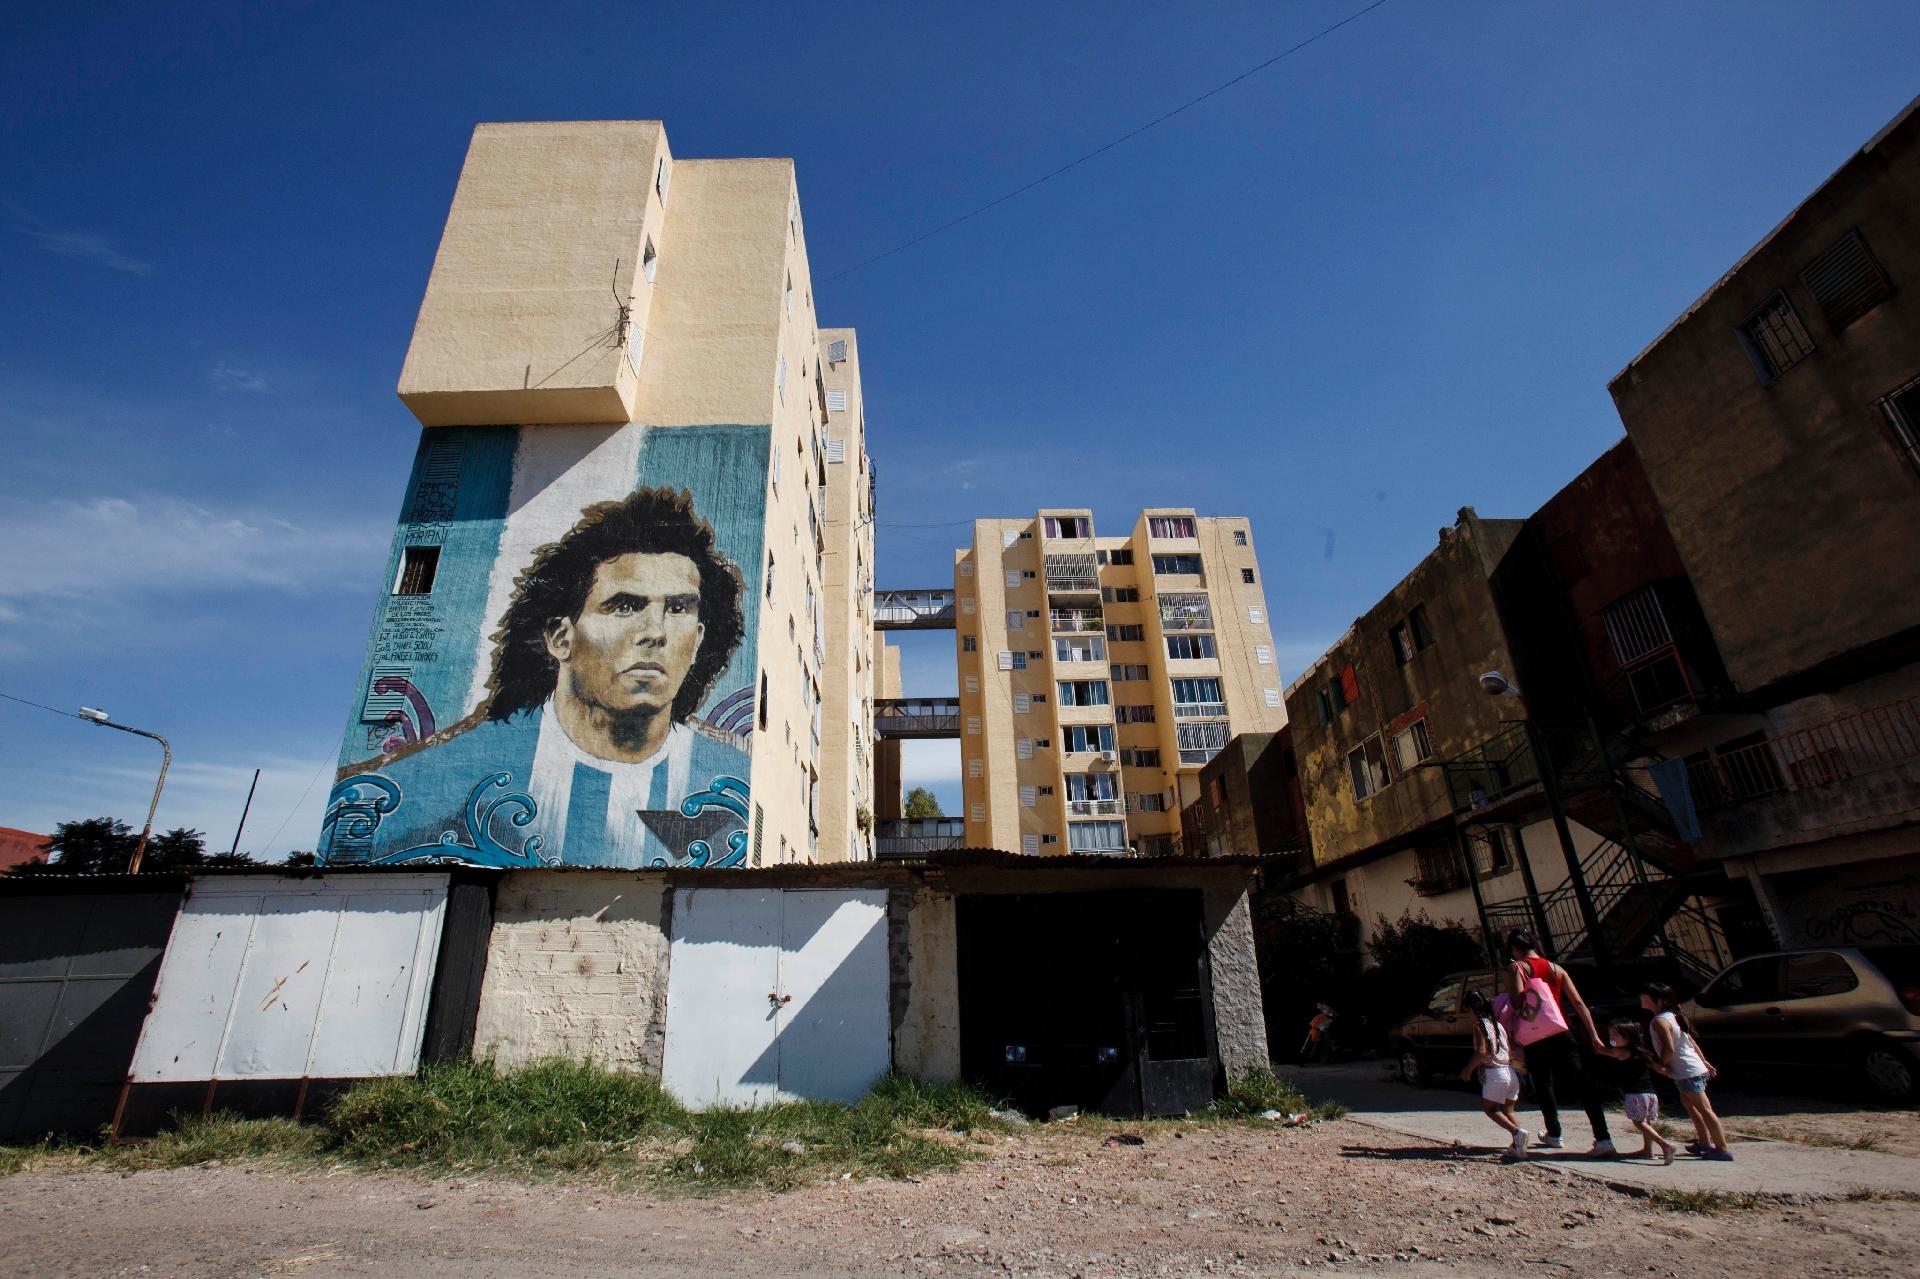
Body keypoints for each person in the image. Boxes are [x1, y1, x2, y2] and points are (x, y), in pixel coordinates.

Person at [321, 487, 753, 868]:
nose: (655, 632)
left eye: (678, 608)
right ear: (561, 638)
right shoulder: (417, 788)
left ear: (697, 641)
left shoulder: (739, 789)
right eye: (624, 606)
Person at [1504, 929, 1616, 1157]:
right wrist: (1593, 1034)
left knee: (1544, 1084)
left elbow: (1516, 1002)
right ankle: (1603, 1138)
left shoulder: (1517, 967)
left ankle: (1554, 1133)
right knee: (1582, 1082)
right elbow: (1579, 1003)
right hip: (1562, 1030)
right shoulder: (1558, 969)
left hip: (1535, 1035)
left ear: (1515, 949)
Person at [1643, 982, 1732, 1161]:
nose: (1641, 998)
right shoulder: (1673, 1016)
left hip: (1686, 1071)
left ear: (1658, 1001)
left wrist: (1660, 1065)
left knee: (1704, 1110)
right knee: (1692, 1108)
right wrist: (1704, 1061)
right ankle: (1705, 1144)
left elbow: (1669, 1048)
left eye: (1645, 996)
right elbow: (1689, 1040)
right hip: (1689, 1069)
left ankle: (1722, 1149)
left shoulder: (1660, 1021)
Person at [1459, 989, 1527, 1161]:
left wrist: (1468, 1069)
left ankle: (1517, 1133)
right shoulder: (1497, 1024)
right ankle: (1519, 1143)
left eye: (1467, 1011)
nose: (1468, 1016)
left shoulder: (1479, 1026)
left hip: (1495, 1074)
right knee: (1508, 1109)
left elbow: (1481, 1051)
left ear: (1472, 1010)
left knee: (1490, 1109)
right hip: (1510, 1072)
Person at [1599, 1019, 1674, 1164]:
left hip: (1635, 1095)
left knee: (1639, 1122)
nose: (1611, 1038)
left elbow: (1601, 1049)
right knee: (1646, 1122)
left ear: (1627, 1037)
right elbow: (1661, 1069)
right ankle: (1648, 1150)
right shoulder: (1644, 1052)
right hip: (1650, 1093)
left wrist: (1594, 1037)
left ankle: (1665, 1145)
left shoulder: (1621, 1051)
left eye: (1614, 1035)